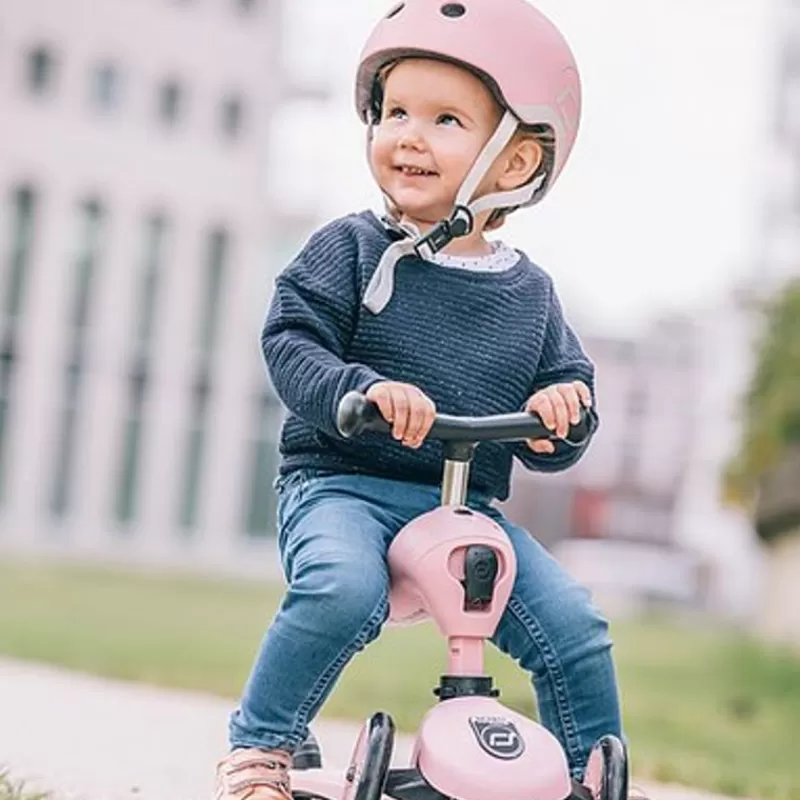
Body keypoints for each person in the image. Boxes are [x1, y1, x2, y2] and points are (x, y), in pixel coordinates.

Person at [214, 1, 629, 797]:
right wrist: (357, 390)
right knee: (341, 588)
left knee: (574, 626)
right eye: (394, 110)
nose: (407, 133)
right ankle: (261, 748)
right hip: (341, 488)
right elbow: (290, 341)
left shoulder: (531, 294)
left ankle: (596, 774)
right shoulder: (349, 247)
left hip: (467, 505)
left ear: (513, 163)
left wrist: (558, 420)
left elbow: (571, 397)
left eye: (444, 119)